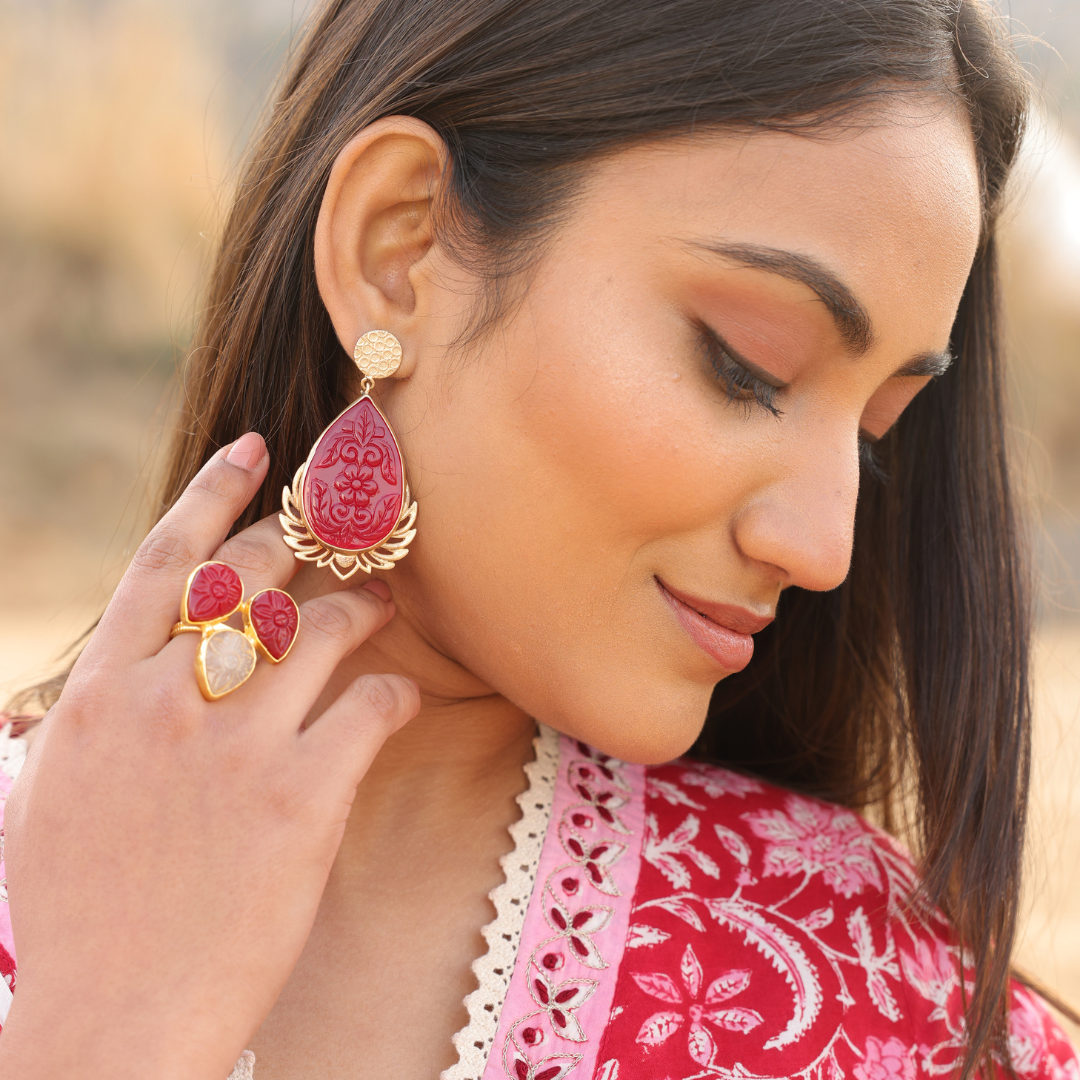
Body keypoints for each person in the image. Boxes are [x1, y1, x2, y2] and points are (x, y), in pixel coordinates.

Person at [0, 0, 1076, 1077]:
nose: (825, 548)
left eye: (878, 433)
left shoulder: (897, 1012)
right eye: (747, 365)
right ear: (399, 247)